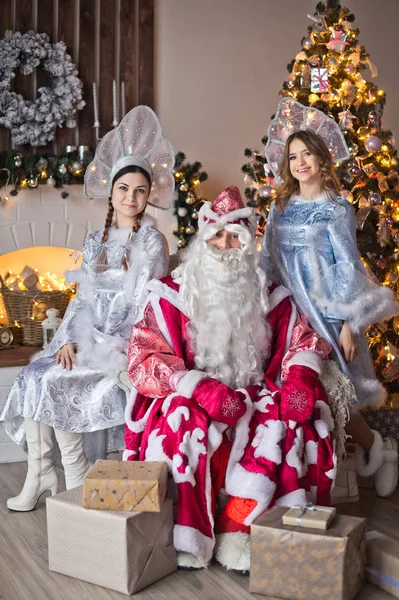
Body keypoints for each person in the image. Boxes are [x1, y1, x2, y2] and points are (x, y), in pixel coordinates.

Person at [124, 185, 335, 572]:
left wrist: (302, 379)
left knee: (279, 422)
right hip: (190, 393)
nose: (224, 245)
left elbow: (302, 341)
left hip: (252, 393)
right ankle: (190, 532)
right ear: (202, 241)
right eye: (216, 236)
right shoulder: (169, 295)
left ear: (247, 242)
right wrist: (198, 387)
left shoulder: (270, 296)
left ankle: (239, 530)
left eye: (234, 236)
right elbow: (144, 355)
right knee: (182, 421)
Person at [1, 105, 175, 512]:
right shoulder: (97, 241)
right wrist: (70, 340)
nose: (131, 198)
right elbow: (83, 299)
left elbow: (142, 306)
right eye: (123, 189)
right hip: (87, 339)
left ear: (148, 197)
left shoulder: (151, 243)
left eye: (140, 190)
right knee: (34, 375)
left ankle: (74, 478)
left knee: (58, 383)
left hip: (121, 346)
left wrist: (95, 344)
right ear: (111, 192)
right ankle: (40, 472)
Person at [261, 97, 398, 498]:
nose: (300, 162)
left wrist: (346, 323)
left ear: (322, 159)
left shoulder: (336, 210)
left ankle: (376, 448)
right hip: (288, 313)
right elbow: (269, 262)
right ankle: (321, 473)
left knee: (337, 389)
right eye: (293, 156)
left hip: (323, 314)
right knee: (298, 393)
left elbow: (347, 268)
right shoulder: (280, 209)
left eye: (307, 154)